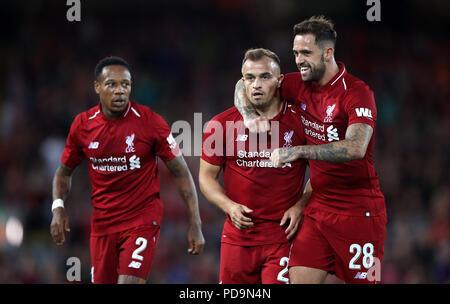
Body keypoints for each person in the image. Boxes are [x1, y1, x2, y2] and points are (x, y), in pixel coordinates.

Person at [234, 16, 387, 284]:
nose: (298, 60)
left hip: (359, 213)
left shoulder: (356, 93)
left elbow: (356, 147)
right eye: (295, 53)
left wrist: (298, 151)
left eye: (306, 53)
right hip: (317, 211)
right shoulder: (298, 85)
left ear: (328, 53)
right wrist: (248, 116)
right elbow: (242, 84)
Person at [50, 56, 205, 284]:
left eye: (126, 84)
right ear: (97, 87)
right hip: (102, 225)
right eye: (112, 84)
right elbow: (64, 172)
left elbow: (181, 172)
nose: (120, 91)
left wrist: (195, 223)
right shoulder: (83, 125)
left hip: (141, 220)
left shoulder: (150, 123)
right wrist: (58, 208)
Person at [199, 48, 310, 284]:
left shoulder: (300, 121)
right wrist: (228, 206)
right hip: (237, 237)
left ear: (280, 81)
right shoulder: (220, 124)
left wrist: (302, 204)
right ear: (242, 82)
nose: (256, 84)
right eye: (250, 78)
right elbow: (206, 177)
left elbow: (324, 173)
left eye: (264, 77)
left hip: (282, 236)